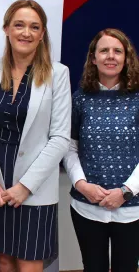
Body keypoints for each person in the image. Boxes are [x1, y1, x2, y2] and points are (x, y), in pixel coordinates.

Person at [0, 0, 71, 272]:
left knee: (28, 262)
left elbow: (61, 137)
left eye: (34, 27)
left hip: (34, 188)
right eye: (19, 25)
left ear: (41, 35)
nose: (26, 32)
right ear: (6, 29)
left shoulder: (58, 74)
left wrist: (25, 186)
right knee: (4, 260)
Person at [63, 28, 139, 272]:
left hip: (132, 209)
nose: (111, 56)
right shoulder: (80, 99)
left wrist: (126, 192)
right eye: (104, 50)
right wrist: (81, 185)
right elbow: (69, 147)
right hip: (86, 206)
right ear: (93, 58)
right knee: (92, 267)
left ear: (126, 58)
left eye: (118, 51)